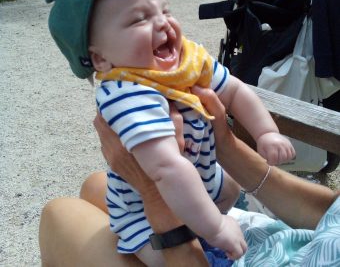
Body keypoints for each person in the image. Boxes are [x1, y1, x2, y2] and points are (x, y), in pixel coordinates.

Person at [46, 0, 295, 265]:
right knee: (159, 254)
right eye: (140, 19)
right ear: (100, 59)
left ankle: (209, 227)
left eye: (165, 10)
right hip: (145, 217)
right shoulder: (126, 93)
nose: (163, 23)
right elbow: (166, 169)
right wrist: (216, 227)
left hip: (202, 183)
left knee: (227, 187)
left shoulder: (184, 59)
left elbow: (233, 89)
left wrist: (266, 132)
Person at [39, 86, 340, 266]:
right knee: (96, 185)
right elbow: (330, 213)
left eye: (161, 12)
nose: (161, 24)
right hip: (276, 240)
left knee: (58, 214)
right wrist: (227, 145)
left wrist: (152, 187)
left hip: (220, 256)